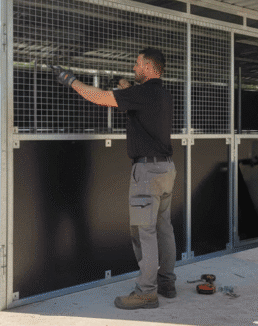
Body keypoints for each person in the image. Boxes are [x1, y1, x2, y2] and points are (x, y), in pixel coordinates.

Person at [53, 48, 177, 310]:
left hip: (147, 174)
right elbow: (136, 102)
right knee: (164, 228)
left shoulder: (141, 94)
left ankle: (146, 292)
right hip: (166, 170)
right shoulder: (162, 95)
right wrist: (125, 87)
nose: (134, 67)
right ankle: (167, 282)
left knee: (145, 232)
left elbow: (98, 97)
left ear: (149, 66)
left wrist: (70, 80)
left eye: (137, 63)